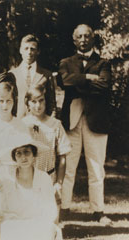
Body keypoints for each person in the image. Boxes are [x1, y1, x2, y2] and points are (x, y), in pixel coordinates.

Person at [59, 24, 112, 223]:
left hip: (96, 121)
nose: (83, 39)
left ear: (92, 39)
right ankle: (64, 208)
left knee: (96, 168)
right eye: (79, 36)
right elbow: (64, 82)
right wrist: (89, 78)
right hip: (71, 122)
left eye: (87, 36)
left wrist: (78, 83)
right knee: (68, 168)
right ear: (74, 40)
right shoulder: (66, 62)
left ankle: (98, 212)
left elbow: (104, 86)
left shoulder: (104, 63)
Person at [0, 133, 61, 240]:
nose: (23, 157)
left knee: (43, 237)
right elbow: (2, 208)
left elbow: (50, 209)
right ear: (14, 158)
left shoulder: (44, 178)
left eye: (27, 152)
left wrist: (37, 223)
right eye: (18, 153)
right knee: (7, 233)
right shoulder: (7, 179)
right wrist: (13, 220)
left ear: (34, 156)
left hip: (38, 224)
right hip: (13, 224)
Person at [22, 84, 72, 196]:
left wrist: (58, 183)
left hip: (49, 179)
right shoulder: (22, 125)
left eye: (41, 101)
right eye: (33, 101)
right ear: (27, 103)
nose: (38, 105)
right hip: (26, 179)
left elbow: (62, 156)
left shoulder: (55, 125)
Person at [10, 34, 56, 118]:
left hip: (40, 123)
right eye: (26, 48)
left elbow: (51, 105)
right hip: (18, 123)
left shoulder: (46, 75)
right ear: (20, 50)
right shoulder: (12, 74)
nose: (29, 52)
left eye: (32, 49)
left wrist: (52, 124)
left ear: (38, 51)